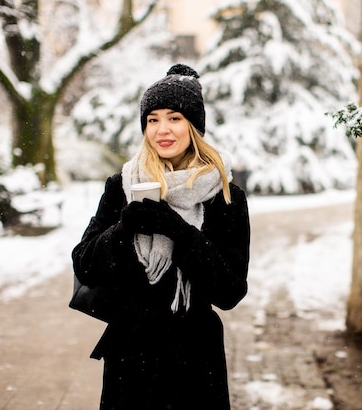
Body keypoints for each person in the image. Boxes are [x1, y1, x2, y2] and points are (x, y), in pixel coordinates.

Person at [71, 64, 250, 410]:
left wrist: (176, 229)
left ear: (193, 126)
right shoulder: (122, 185)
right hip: (130, 357)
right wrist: (123, 229)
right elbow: (85, 265)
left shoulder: (225, 194)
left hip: (195, 360)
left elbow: (229, 290)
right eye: (152, 119)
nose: (162, 130)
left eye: (174, 118)